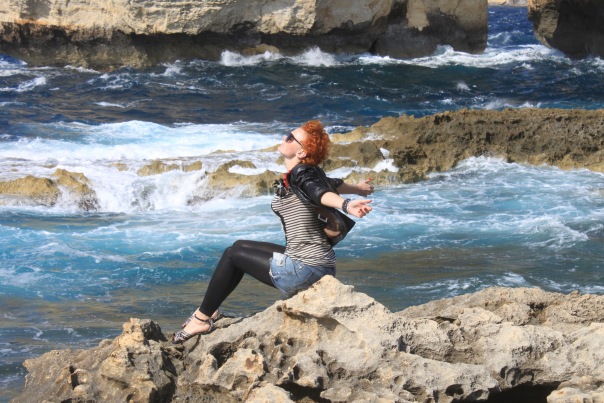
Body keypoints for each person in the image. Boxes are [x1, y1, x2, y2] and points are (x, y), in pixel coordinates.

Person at [173, 120, 374, 343]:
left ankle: (201, 318)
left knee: (232, 256)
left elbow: (320, 192)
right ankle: (209, 311)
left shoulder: (302, 174)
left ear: (301, 152)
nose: (283, 138)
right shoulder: (308, 173)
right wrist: (358, 189)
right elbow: (331, 183)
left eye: (289, 137)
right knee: (239, 246)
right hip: (319, 265)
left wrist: (345, 204)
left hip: (305, 271)